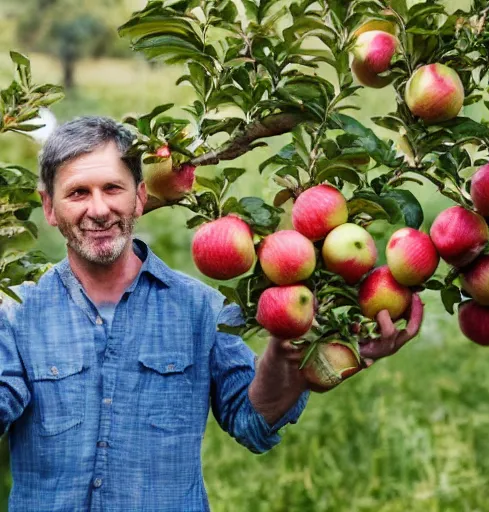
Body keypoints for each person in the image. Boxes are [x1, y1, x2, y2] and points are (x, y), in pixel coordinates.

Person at [0, 116, 424, 511]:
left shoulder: (201, 309)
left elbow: (251, 424)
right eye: (77, 193)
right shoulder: (17, 311)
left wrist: (286, 352)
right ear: (50, 208)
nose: (97, 209)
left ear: (140, 198)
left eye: (112, 188)